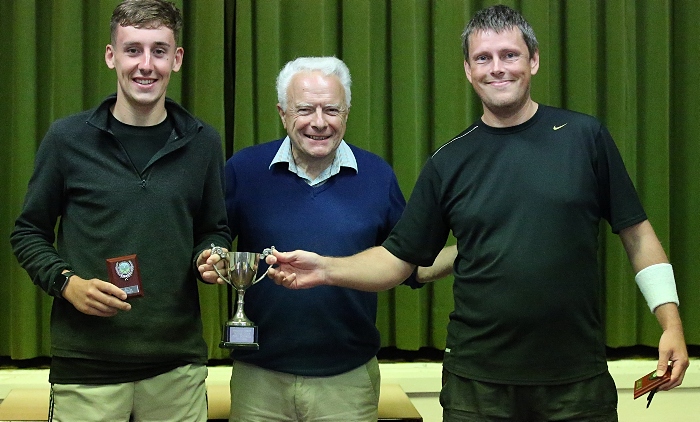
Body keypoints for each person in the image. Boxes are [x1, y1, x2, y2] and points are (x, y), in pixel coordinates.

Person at [265, 5, 689, 421]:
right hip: (476, 389)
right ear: (468, 70)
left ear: (534, 61)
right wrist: (324, 269)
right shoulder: (448, 162)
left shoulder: (585, 137)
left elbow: (638, 236)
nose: (497, 68)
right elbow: (399, 261)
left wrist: (669, 323)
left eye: (510, 55)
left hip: (576, 382)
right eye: (483, 58)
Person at [9, 1, 231, 420]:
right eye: (133, 50)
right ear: (111, 56)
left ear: (176, 59)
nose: (145, 65)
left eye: (159, 51)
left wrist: (213, 254)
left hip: (176, 366)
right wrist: (66, 282)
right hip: (87, 366)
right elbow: (27, 232)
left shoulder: (204, 142)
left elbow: (214, 228)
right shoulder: (66, 139)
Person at [214, 56, 438, 422]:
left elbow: (410, 263)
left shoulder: (378, 175)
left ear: (347, 113)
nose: (319, 122)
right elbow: (214, 240)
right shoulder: (243, 169)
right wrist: (214, 256)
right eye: (305, 109)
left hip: (348, 382)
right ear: (282, 113)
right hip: (258, 380)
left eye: (331, 109)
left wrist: (473, 251)